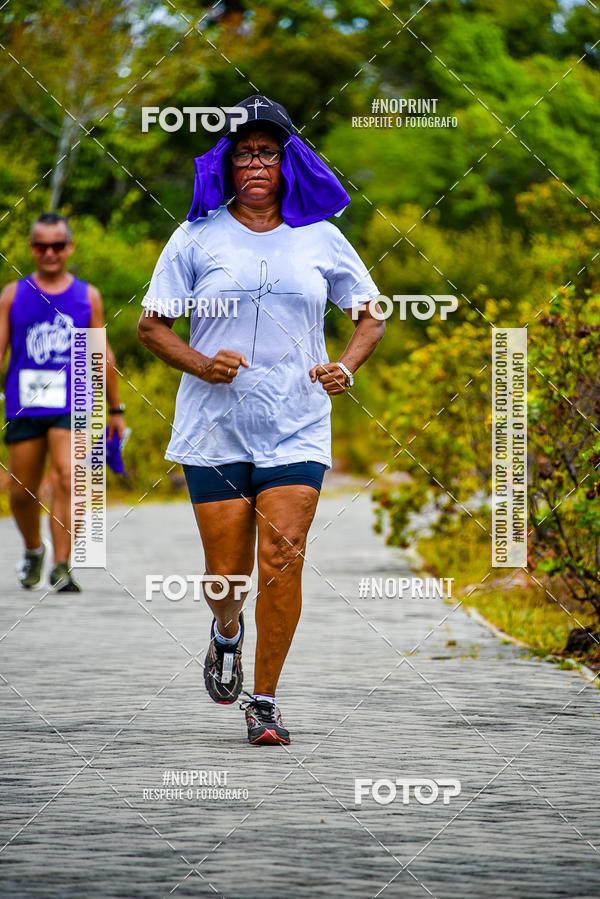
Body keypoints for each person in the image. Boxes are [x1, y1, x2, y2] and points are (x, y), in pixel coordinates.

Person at [138, 94, 385, 744]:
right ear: (227, 161)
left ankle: (265, 699)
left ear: (285, 161)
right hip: (215, 426)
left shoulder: (321, 237)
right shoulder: (196, 235)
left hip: (297, 419)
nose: (255, 162)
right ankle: (226, 630)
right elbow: (150, 324)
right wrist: (198, 362)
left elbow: (371, 311)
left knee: (283, 554)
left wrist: (348, 366)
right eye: (244, 151)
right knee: (227, 575)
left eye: (267, 151)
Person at [0, 212, 126, 592]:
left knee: (70, 478)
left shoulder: (87, 296)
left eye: (57, 245)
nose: (50, 252)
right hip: (24, 402)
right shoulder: (12, 294)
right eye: (42, 245)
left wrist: (115, 408)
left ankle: (61, 564)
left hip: (73, 400)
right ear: (32, 249)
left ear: (69, 247)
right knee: (22, 491)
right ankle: (34, 549)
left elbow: (101, 354)